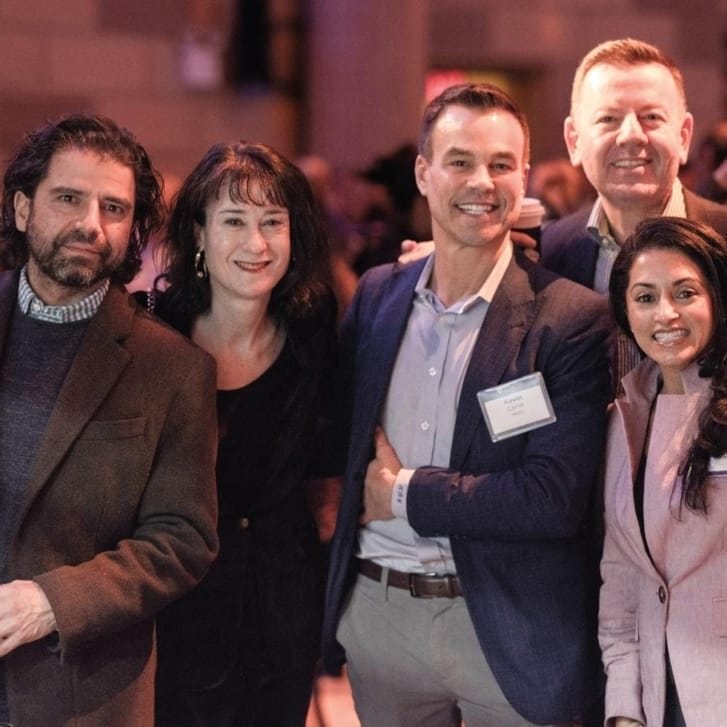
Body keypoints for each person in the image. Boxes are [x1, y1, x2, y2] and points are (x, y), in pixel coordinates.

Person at [322, 83, 612, 726]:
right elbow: (330, 434)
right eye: (460, 161)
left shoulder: (571, 319)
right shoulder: (377, 295)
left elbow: (552, 497)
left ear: (524, 177)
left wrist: (401, 493)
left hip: (511, 631)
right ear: (424, 173)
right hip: (382, 618)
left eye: (501, 164)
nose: (482, 181)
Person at [0, 113, 218, 725]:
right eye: (68, 198)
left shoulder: (173, 368)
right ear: (22, 210)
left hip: (76, 692)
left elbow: (183, 539)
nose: (90, 224)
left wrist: (53, 602)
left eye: (113, 208)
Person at [147, 141, 337, 727]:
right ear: (199, 233)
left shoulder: (313, 330)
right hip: (174, 607)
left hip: (284, 608)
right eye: (234, 221)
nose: (256, 244)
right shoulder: (153, 332)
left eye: (272, 223)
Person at [601, 216, 727, 725]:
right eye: (646, 297)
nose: (666, 314)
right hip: (660, 696)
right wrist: (624, 705)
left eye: (685, 292)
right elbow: (624, 574)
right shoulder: (623, 417)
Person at [542, 38, 727, 295]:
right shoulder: (545, 255)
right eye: (608, 119)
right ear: (574, 141)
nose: (631, 134)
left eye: (651, 117)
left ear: (684, 136)